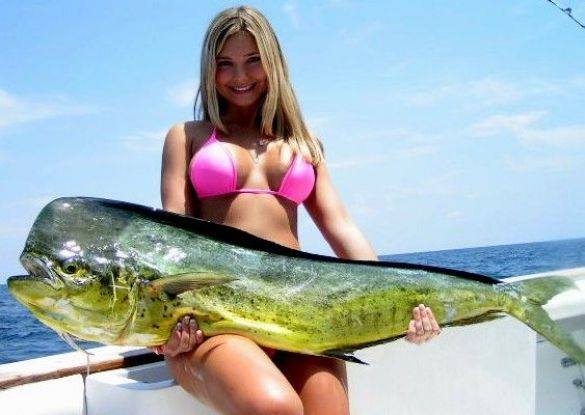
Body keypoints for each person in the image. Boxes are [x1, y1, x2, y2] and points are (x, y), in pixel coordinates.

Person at [153, 6, 441, 415]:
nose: (240, 76)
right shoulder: (186, 137)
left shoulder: (304, 143)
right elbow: (172, 237)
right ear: (209, 69)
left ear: (273, 62)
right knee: (276, 408)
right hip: (215, 319)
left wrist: (400, 303)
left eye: (253, 60)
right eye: (225, 63)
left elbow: (341, 228)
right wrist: (164, 326)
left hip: (300, 315)